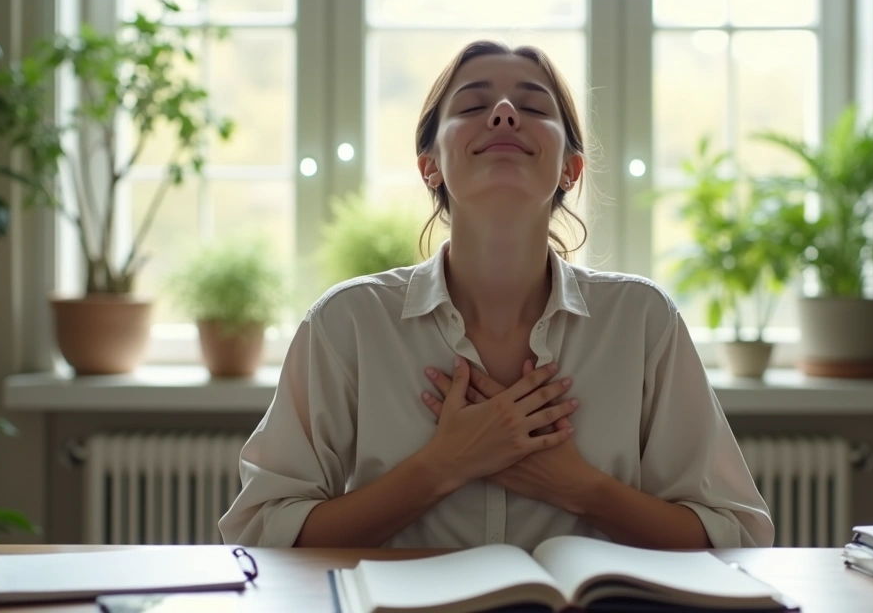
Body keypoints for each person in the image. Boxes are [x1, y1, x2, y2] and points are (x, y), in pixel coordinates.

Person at [218, 40, 773, 551]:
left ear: (571, 169)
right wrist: (441, 467)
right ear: (430, 166)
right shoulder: (349, 322)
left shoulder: (643, 321)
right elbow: (263, 531)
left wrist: (579, 487)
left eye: (532, 107)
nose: (504, 113)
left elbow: (734, 535)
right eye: (471, 106)